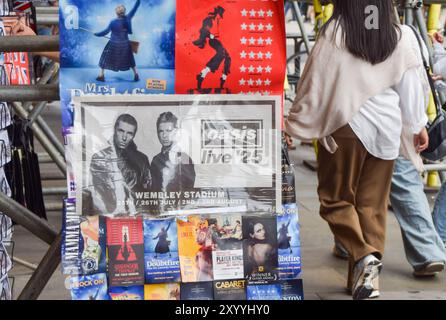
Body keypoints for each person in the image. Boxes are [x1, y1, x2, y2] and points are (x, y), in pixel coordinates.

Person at [285, 0, 430, 300]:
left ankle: (363, 257)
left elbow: (314, 82)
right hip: (388, 129)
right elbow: (412, 86)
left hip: (347, 127)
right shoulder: (401, 35)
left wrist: (294, 122)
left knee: (335, 200)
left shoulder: (336, 32)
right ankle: (366, 282)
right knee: (371, 208)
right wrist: (417, 125)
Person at [86, 114, 151, 216]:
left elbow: (148, 195)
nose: (124, 137)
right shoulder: (99, 158)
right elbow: (95, 195)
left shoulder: (142, 160)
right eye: (121, 131)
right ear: (115, 130)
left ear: (134, 136)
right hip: (107, 215)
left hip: (136, 216)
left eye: (129, 133)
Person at [94, 0, 140, 82]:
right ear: (124, 11)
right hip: (125, 44)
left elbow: (105, 32)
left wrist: (97, 34)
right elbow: (135, 8)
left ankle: (101, 76)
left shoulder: (113, 22)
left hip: (113, 44)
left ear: (116, 12)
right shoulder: (128, 17)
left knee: (105, 59)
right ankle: (136, 74)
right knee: (130, 59)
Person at [150, 112, 195, 192]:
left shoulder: (184, 158)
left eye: (168, 131)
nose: (164, 135)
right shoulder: (156, 159)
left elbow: (188, 189)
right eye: (161, 131)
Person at [193, 6, 231, 90]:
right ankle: (202, 74)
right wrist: (210, 35)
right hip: (213, 41)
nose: (221, 17)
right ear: (217, 13)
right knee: (221, 53)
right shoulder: (209, 20)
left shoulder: (217, 20)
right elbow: (204, 30)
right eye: (220, 15)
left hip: (218, 41)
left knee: (228, 57)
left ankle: (223, 77)